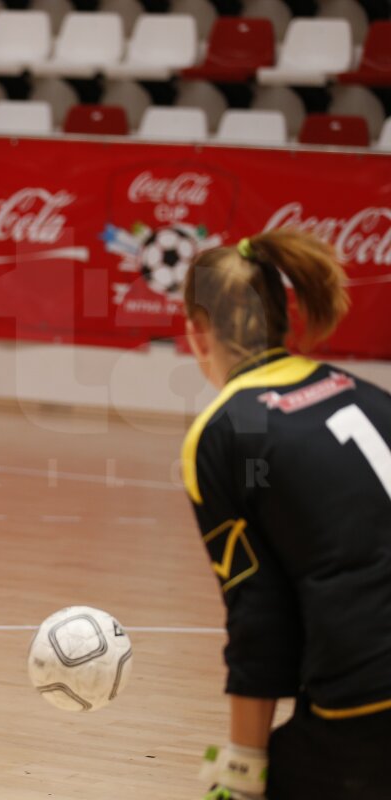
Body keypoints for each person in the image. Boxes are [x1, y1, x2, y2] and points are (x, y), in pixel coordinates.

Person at [181, 230, 391, 800]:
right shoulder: (366, 394)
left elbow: (258, 609)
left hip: (371, 699)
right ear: (282, 316)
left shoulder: (227, 429)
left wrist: (243, 768)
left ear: (197, 334)